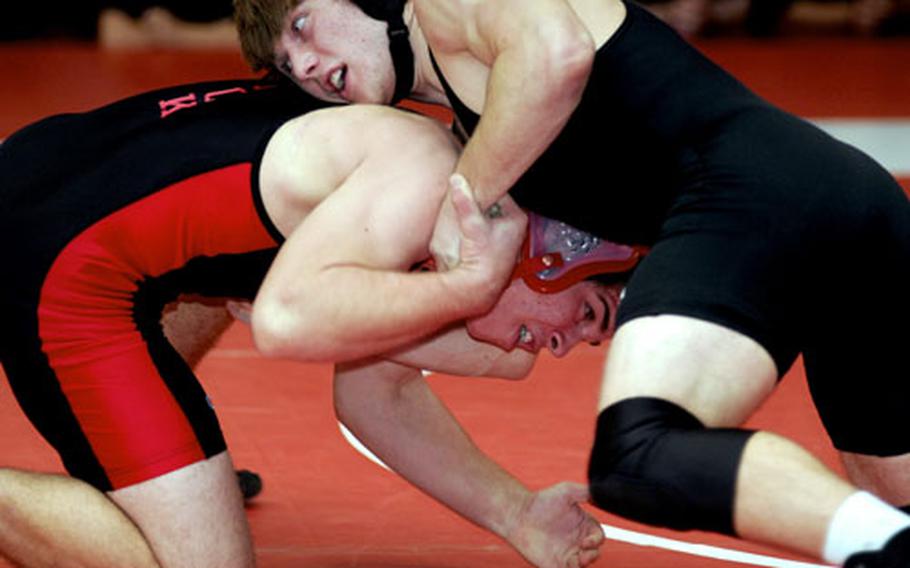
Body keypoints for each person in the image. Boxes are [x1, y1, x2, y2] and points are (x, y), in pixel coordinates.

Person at [233, 0, 910, 565]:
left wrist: (463, 201)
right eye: (290, 66)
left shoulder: (443, 9)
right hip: (839, 200)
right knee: (892, 498)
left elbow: (557, 54)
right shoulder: (467, 121)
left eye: (302, 25)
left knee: (642, 452)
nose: (311, 66)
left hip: (756, 196)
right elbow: (380, 384)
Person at [0, 76, 617, 568]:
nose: (565, 346)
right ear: (555, 245)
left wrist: (517, 514)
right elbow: (286, 320)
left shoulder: (446, 185)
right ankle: (153, 495)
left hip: (48, 161)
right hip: (62, 264)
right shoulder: (418, 200)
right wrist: (470, 290)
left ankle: (147, 482)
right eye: (589, 314)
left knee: (225, 266)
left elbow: (375, 390)